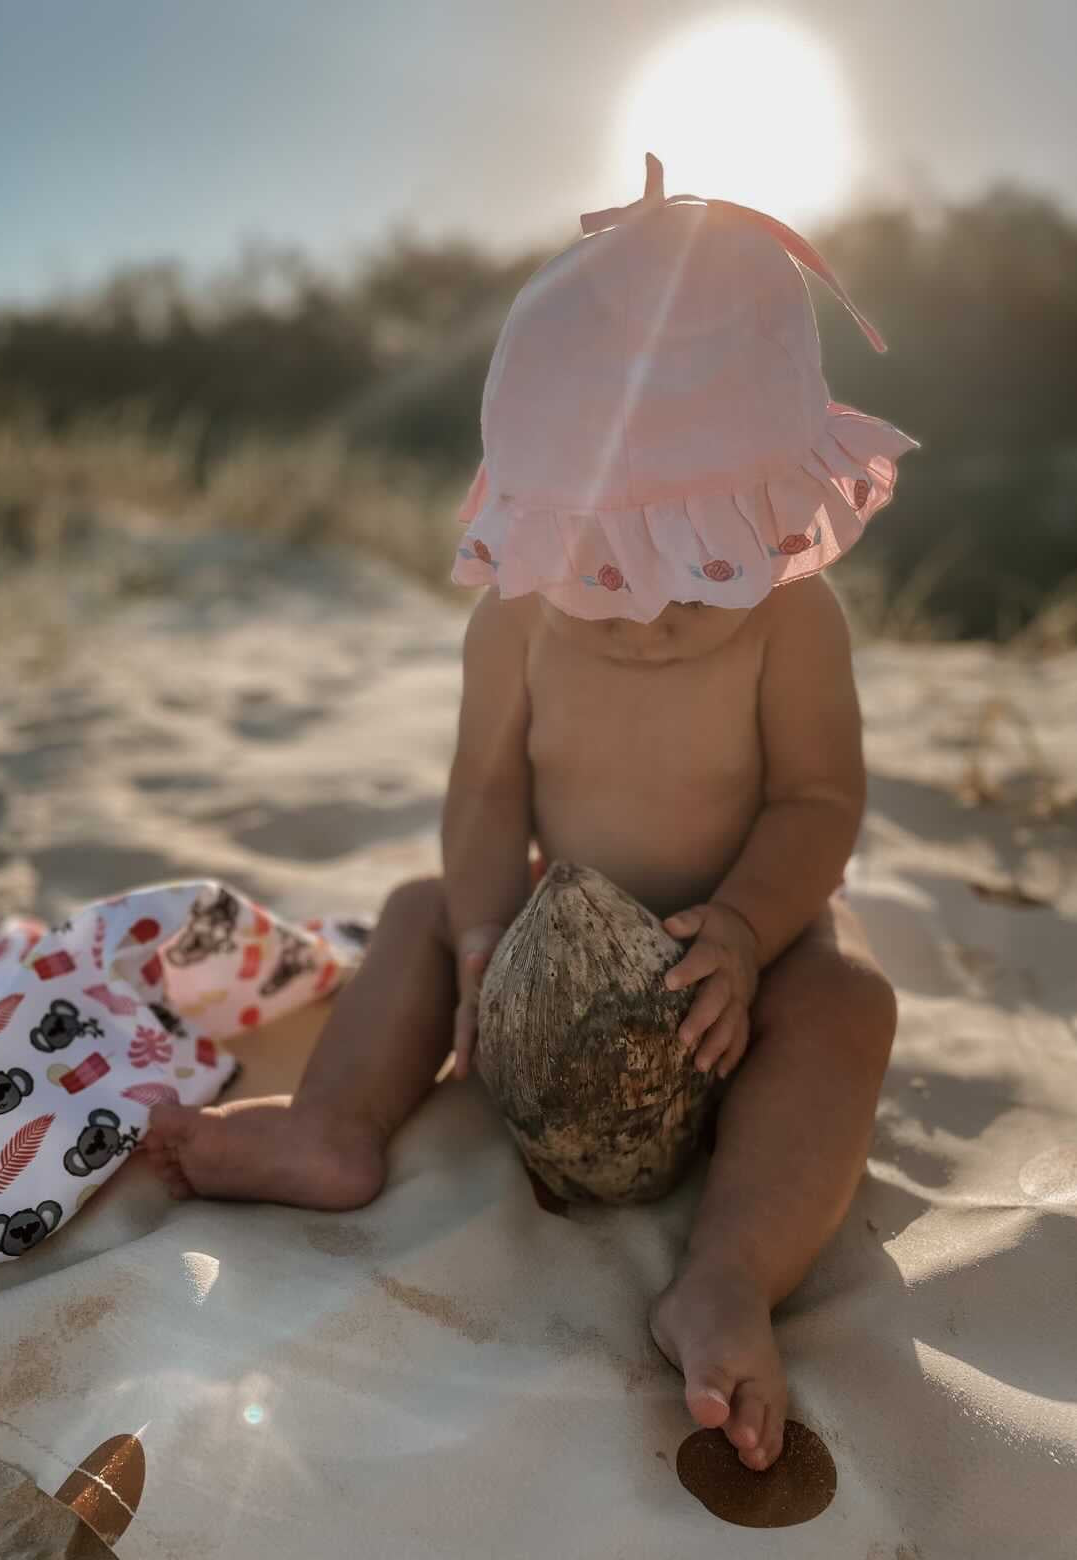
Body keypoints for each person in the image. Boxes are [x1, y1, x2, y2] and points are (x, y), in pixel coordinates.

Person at [146, 155, 917, 1474]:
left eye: (705, 566)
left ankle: (726, 1273)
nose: (663, 611)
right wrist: (476, 941)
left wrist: (742, 925)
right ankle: (337, 1125)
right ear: (538, 533)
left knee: (847, 1002)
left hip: (738, 955)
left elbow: (815, 798)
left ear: (780, 521)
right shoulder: (510, 620)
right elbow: (486, 791)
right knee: (413, 907)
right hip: (543, 957)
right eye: (608, 573)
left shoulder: (794, 617)